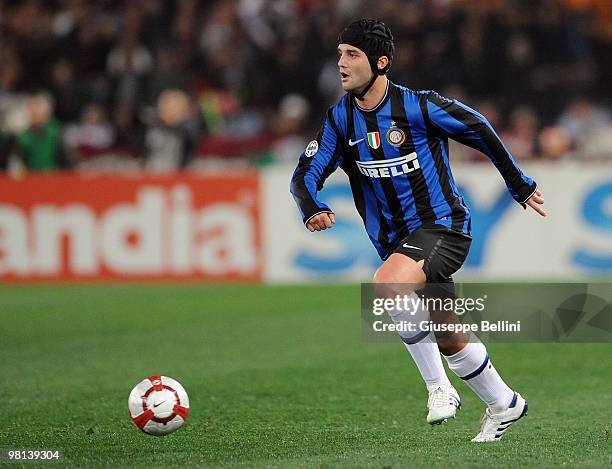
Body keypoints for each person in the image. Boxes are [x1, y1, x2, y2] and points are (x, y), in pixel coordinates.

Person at [290, 19, 546, 443]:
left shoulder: (419, 106)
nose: (341, 63)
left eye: (352, 54)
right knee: (449, 336)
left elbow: (479, 128)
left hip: (444, 227)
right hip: (397, 243)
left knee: (387, 284)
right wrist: (310, 205)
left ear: (381, 62)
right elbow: (304, 173)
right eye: (339, 54)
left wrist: (518, 184)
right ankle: (505, 403)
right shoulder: (339, 121)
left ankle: (438, 388)